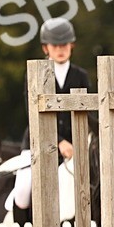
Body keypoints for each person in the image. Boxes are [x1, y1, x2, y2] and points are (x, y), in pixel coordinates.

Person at [25, 17, 92, 162]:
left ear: (72, 45)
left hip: (75, 147)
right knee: (24, 177)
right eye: (55, 45)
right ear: (45, 48)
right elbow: (31, 115)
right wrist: (59, 141)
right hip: (38, 144)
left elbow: (89, 115)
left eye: (64, 45)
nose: (60, 49)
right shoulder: (35, 75)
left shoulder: (81, 75)